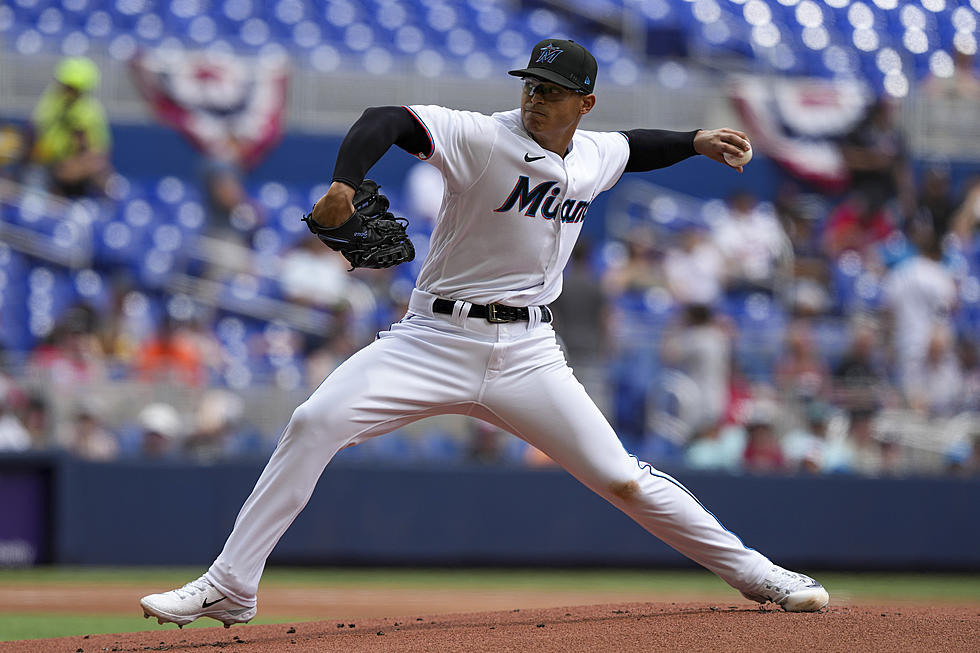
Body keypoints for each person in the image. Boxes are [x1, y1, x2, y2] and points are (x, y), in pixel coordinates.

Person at [140, 39, 829, 628]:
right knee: (314, 419)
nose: (537, 98)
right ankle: (233, 583)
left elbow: (632, 148)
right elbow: (385, 118)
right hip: (431, 339)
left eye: (554, 91)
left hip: (528, 354)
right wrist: (346, 182)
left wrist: (695, 141)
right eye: (532, 84)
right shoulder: (482, 136)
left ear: (583, 103)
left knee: (623, 478)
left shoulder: (590, 153)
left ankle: (760, 572)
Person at [26, 57, 112, 197]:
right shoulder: (50, 103)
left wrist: (77, 165)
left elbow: (98, 154)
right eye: (65, 86)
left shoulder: (90, 112)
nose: (67, 92)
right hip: (48, 167)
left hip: (78, 174)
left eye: (73, 89)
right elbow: (32, 132)